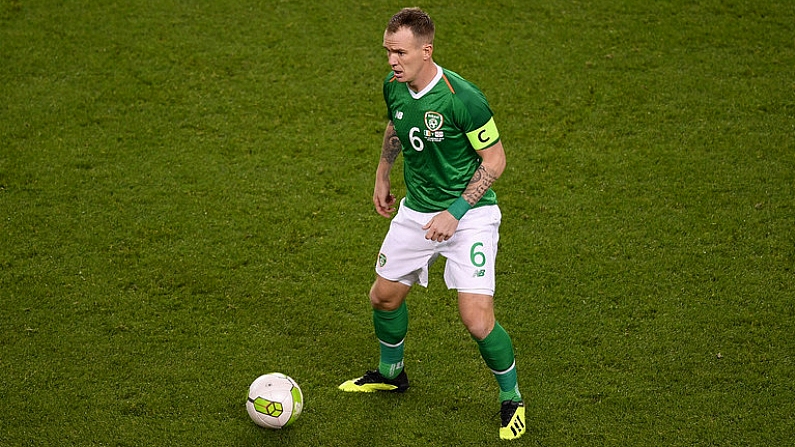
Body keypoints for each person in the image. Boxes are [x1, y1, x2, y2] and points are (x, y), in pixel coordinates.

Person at [338, 7, 525, 440]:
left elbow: (495, 161)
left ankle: (511, 397)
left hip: (469, 215)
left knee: (477, 320)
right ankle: (392, 373)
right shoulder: (395, 86)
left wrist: (455, 212)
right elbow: (397, 126)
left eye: (399, 52)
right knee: (383, 297)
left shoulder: (463, 98)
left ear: (427, 50)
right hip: (417, 211)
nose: (391, 61)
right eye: (387, 52)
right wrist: (383, 173)